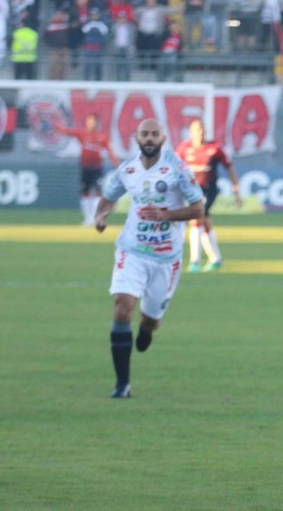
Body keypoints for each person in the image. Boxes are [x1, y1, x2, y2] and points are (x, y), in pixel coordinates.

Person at [94, 118, 205, 398]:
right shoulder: (128, 169)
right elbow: (109, 195)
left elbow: (199, 209)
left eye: (155, 134)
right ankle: (122, 384)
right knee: (122, 307)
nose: (150, 138)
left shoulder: (177, 168)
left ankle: (147, 328)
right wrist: (101, 214)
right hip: (131, 250)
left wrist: (167, 215)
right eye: (145, 134)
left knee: (150, 321)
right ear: (136, 138)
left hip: (166, 258)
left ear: (163, 138)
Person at [175, 118, 242, 272]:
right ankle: (215, 258)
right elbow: (173, 167)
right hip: (191, 191)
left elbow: (229, 167)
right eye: (197, 129)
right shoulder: (184, 148)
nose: (201, 132)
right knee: (204, 223)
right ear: (191, 132)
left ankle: (195, 261)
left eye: (202, 129)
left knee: (195, 220)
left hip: (209, 190)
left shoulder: (215, 148)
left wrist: (236, 188)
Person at [55, 113, 119, 226]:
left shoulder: (102, 136)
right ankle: (87, 217)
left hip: (97, 168)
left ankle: (95, 217)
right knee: (85, 192)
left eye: (92, 122)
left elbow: (109, 149)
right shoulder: (83, 134)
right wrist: (60, 129)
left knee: (97, 192)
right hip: (85, 167)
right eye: (88, 122)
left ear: (97, 123)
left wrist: (114, 160)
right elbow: (71, 132)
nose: (90, 124)